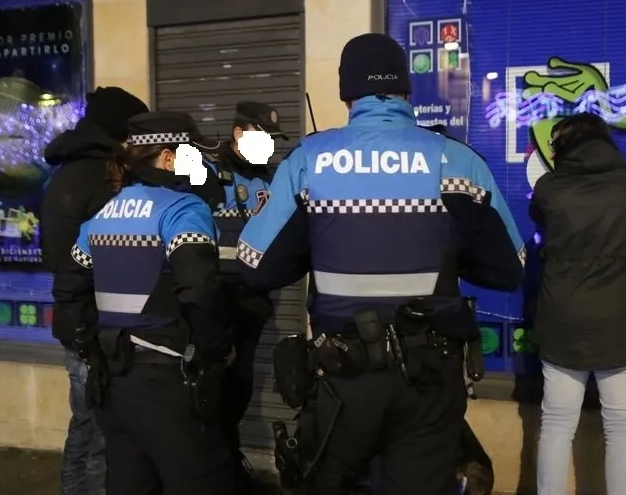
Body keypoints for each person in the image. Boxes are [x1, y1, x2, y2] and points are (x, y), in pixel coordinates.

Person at [236, 32, 525, 495]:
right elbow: (508, 269)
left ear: (346, 93)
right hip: (430, 381)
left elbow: (256, 267)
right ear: (407, 92)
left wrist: (317, 239)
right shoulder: (458, 161)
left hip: (342, 383)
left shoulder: (310, 161)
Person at [51, 111, 237, 495]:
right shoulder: (183, 210)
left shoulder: (103, 214)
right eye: (194, 154)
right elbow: (200, 290)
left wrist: (91, 349)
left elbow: (68, 290)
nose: (202, 163)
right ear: (169, 158)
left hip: (113, 387)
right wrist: (217, 351)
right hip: (166, 385)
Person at [528, 112, 626, 495]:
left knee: (555, 426)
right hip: (621, 323)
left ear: (564, 147)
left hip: (562, 322)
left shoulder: (549, 188)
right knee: (622, 429)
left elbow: (539, 217)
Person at [41, 86, 148, 495]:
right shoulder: (104, 177)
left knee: (86, 425)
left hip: (77, 319)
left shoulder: (68, 171)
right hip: (95, 321)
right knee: (99, 430)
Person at [189, 101, 284, 494]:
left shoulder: (267, 177)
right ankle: (213, 474)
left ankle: (227, 466)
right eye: (264, 139)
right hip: (217, 301)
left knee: (239, 389)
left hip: (252, 302)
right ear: (239, 133)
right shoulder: (206, 169)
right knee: (213, 393)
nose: (272, 149)